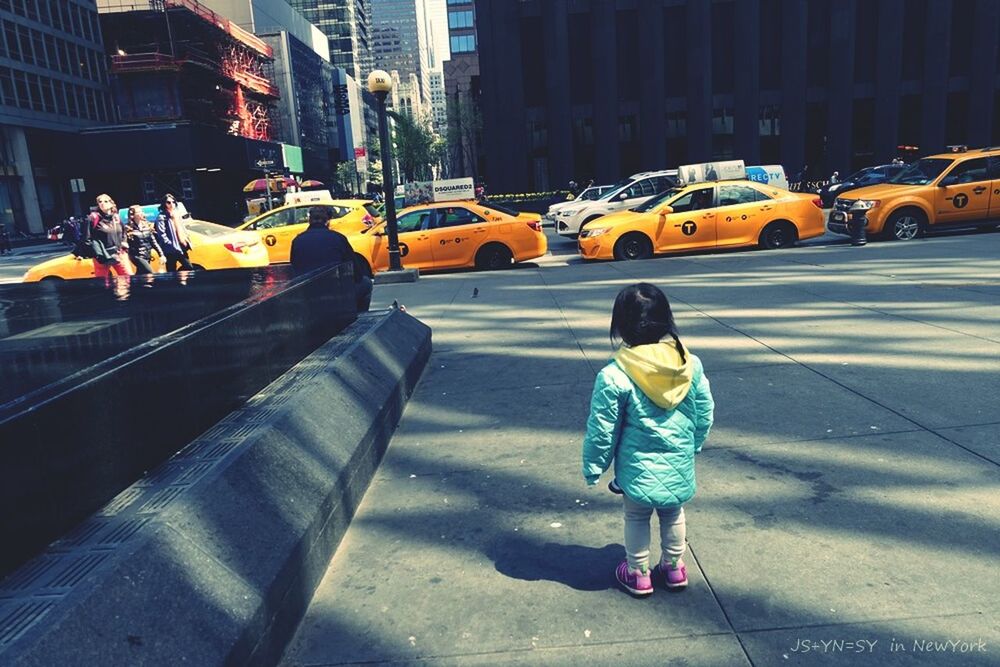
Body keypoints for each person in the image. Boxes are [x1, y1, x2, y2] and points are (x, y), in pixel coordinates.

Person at [582, 283, 714, 596]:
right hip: (678, 461)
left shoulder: (614, 374)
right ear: (667, 321)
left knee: (636, 516)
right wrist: (695, 442)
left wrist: (594, 467)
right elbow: (704, 410)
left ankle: (638, 573)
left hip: (636, 467)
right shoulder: (689, 365)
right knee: (673, 513)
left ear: (620, 327)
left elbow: (603, 428)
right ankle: (673, 567)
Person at [290, 206, 372, 312]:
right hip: (335, 292)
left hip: (307, 294)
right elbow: (356, 273)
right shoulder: (338, 238)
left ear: (309, 220)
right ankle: (358, 317)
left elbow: (294, 269)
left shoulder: (297, 241)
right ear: (328, 221)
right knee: (366, 283)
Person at [86, 194, 133, 280]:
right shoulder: (93, 218)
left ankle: (125, 293)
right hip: (102, 255)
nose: (102, 203)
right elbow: (87, 238)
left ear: (111, 204)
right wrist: (96, 254)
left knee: (127, 277)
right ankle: (107, 293)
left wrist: (124, 242)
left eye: (105, 201)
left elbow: (123, 232)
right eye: (100, 202)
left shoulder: (116, 217)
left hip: (119, 253)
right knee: (103, 281)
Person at [154, 193, 193, 272]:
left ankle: (183, 282)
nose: (171, 204)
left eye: (173, 202)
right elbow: (162, 234)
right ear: (164, 204)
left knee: (189, 267)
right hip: (170, 249)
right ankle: (175, 283)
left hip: (181, 247)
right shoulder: (161, 217)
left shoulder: (177, 215)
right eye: (168, 202)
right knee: (171, 271)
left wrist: (186, 240)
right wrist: (170, 244)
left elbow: (182, 229)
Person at [125, 205, 165, 275]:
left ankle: (135, 285)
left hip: (147, 255)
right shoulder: (128, 228)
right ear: (133, 215)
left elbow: (154, 242)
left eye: (142, 211)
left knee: (142, 275)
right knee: (151, 273)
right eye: (139, 212)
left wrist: (161, 255)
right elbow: (125, 242)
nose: (141, 213)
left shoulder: (147, 225)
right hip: (137, 256)